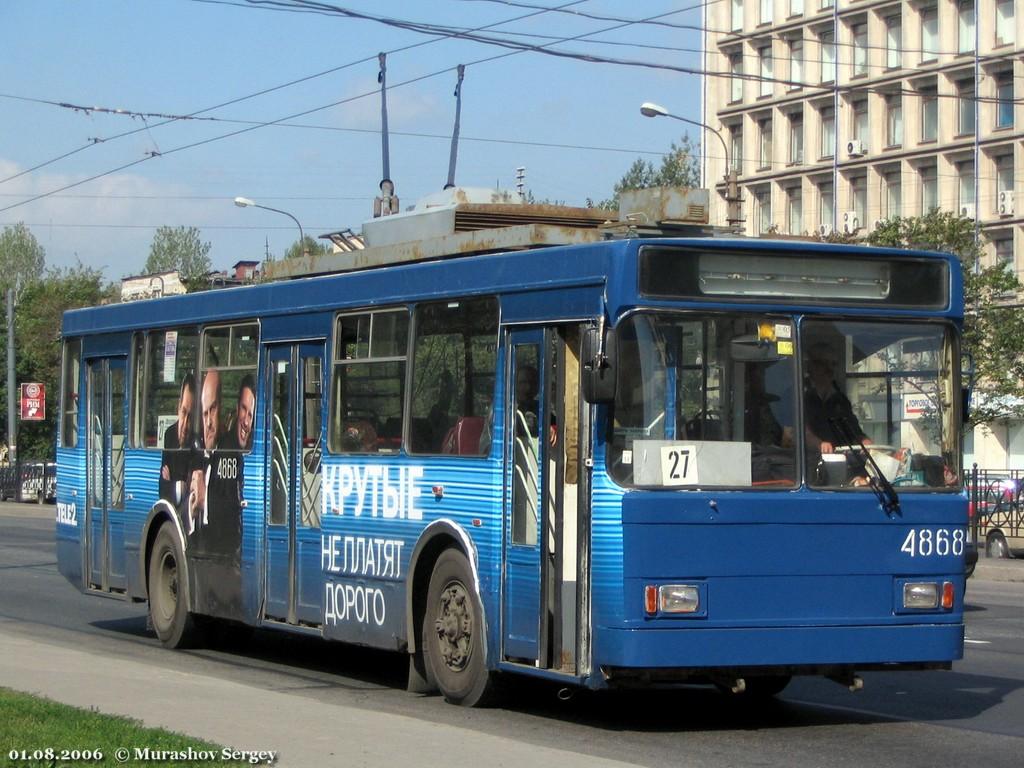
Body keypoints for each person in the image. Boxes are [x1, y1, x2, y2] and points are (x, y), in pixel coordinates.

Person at [804, 342, 871, 455]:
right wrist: (818, 444)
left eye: (833, 364)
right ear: (812, 365)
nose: (829, 369)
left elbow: (853, 431)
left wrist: (864, 441)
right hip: (807, 464)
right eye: (824, 363)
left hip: (839, 462)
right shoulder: (798, 394)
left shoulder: (840, 400)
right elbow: (795, 431)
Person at [159, 372, 195, 509]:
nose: (185, 424)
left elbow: (192, 491)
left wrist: (173, 484)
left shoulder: (197, 440)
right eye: (184, 412)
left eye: (190, 417)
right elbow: (162, 488)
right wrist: (180, 486)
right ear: (178, 406)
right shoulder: (169, 435)